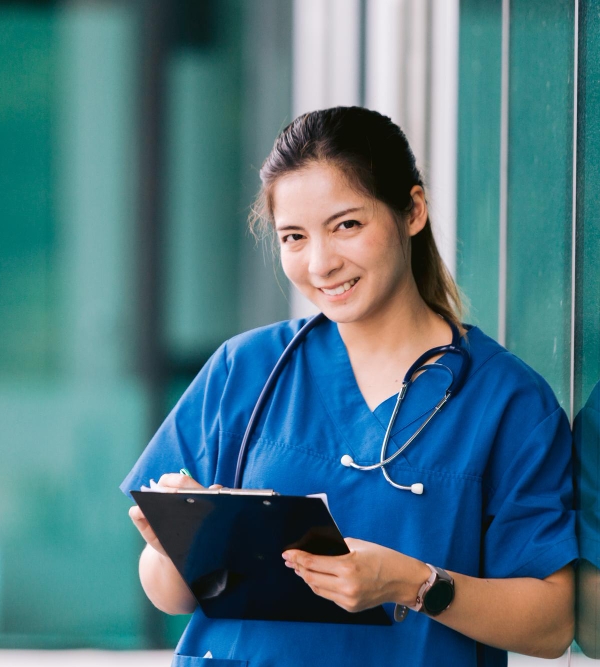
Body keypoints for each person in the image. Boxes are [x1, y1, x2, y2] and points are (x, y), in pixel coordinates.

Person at [120, 106, 576, 666]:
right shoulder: (245, 369)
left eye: (347, 226)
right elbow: (171, 596)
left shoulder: (506, 402)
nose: (320, 263)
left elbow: (552, 624)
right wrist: (173, 543)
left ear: (412, 211)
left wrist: (414, 584)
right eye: (294, 236)